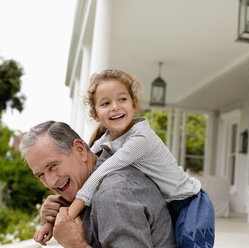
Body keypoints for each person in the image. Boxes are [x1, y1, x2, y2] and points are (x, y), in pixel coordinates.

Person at [39, 69, 215, 247]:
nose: (115, 106)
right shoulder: (107, 139)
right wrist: (51, 220)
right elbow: (87, 157)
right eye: (106, 103)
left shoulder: (140, 138)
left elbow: (100, 172)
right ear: (95, 114)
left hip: (190, 203)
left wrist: (67, 218)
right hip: (170, 203)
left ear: (134, 104)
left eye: (122, 99)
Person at [19, 121, 176, 247]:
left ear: (80, 150)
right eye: (41, 175)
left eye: (53, 166)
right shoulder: (88, 183)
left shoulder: (113, 194)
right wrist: (59, 212)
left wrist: (77, 245)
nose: (51, 182)